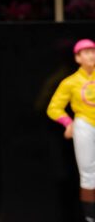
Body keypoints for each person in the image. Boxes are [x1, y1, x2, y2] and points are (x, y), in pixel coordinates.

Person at [46, 38, 95, 222]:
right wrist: (68, 123)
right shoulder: (70, 82)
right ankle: (90, 216)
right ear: (77, 58)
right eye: (86, 52)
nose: (91, 55)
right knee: (88, 172)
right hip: (84, 124)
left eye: (93, 51)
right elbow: (53, 108)